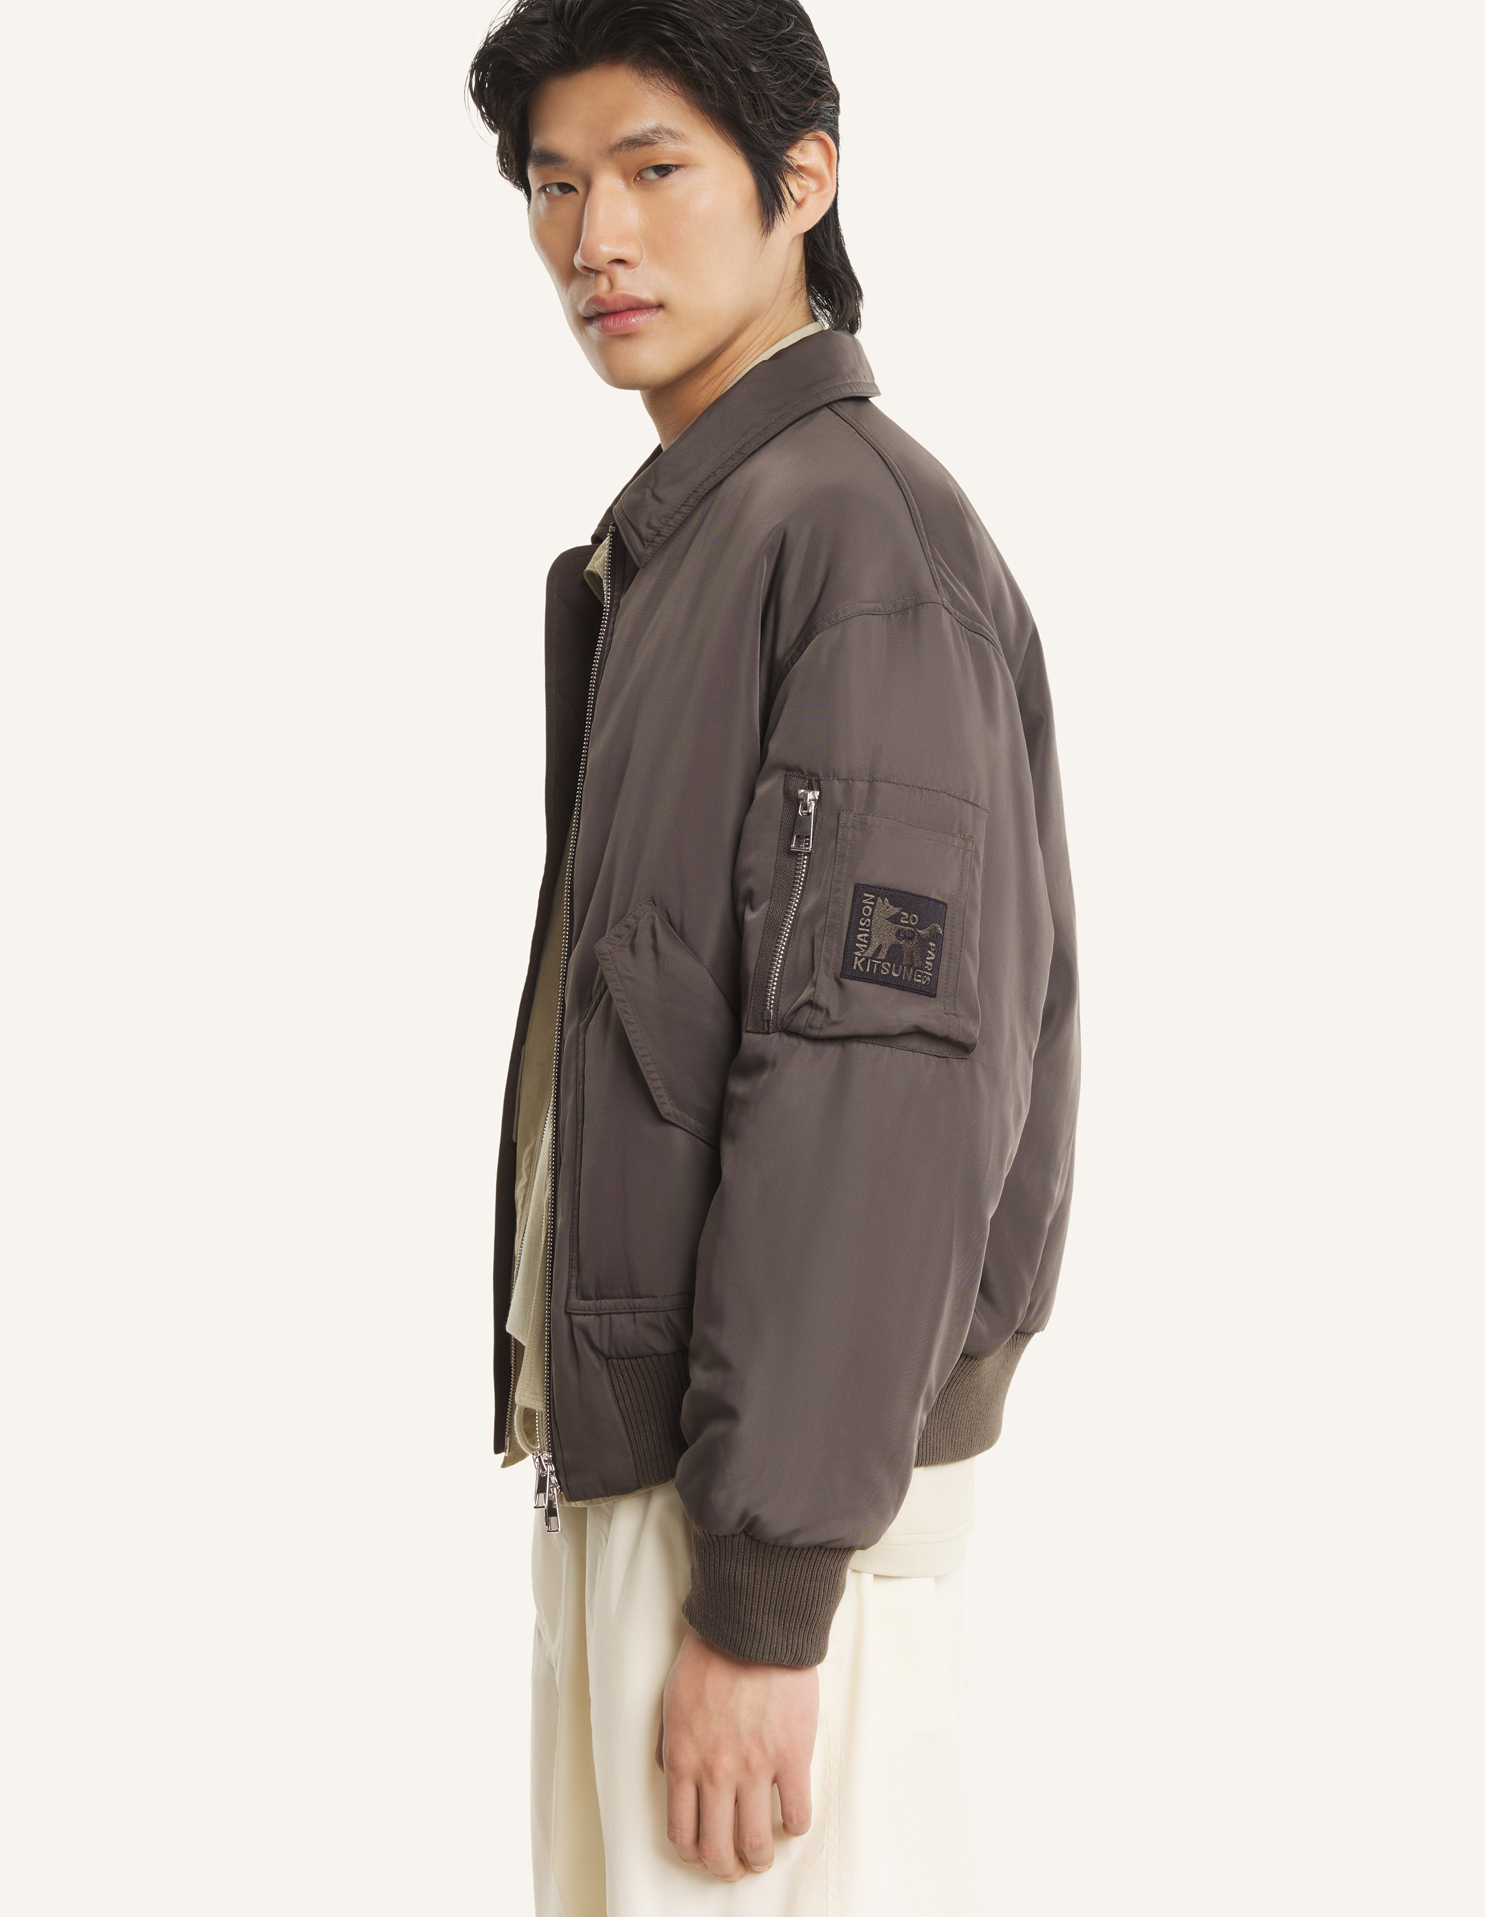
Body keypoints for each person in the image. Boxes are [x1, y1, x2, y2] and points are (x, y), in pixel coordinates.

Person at [467, 3, 1080, 1909]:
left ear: (800, 180)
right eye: (554, 185)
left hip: (758, 1530)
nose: (593, 240)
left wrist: (763, 1588)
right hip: (655, 1490)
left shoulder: (855, 551)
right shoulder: (691, 542)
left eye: (653, 170)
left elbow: (876, 1081)